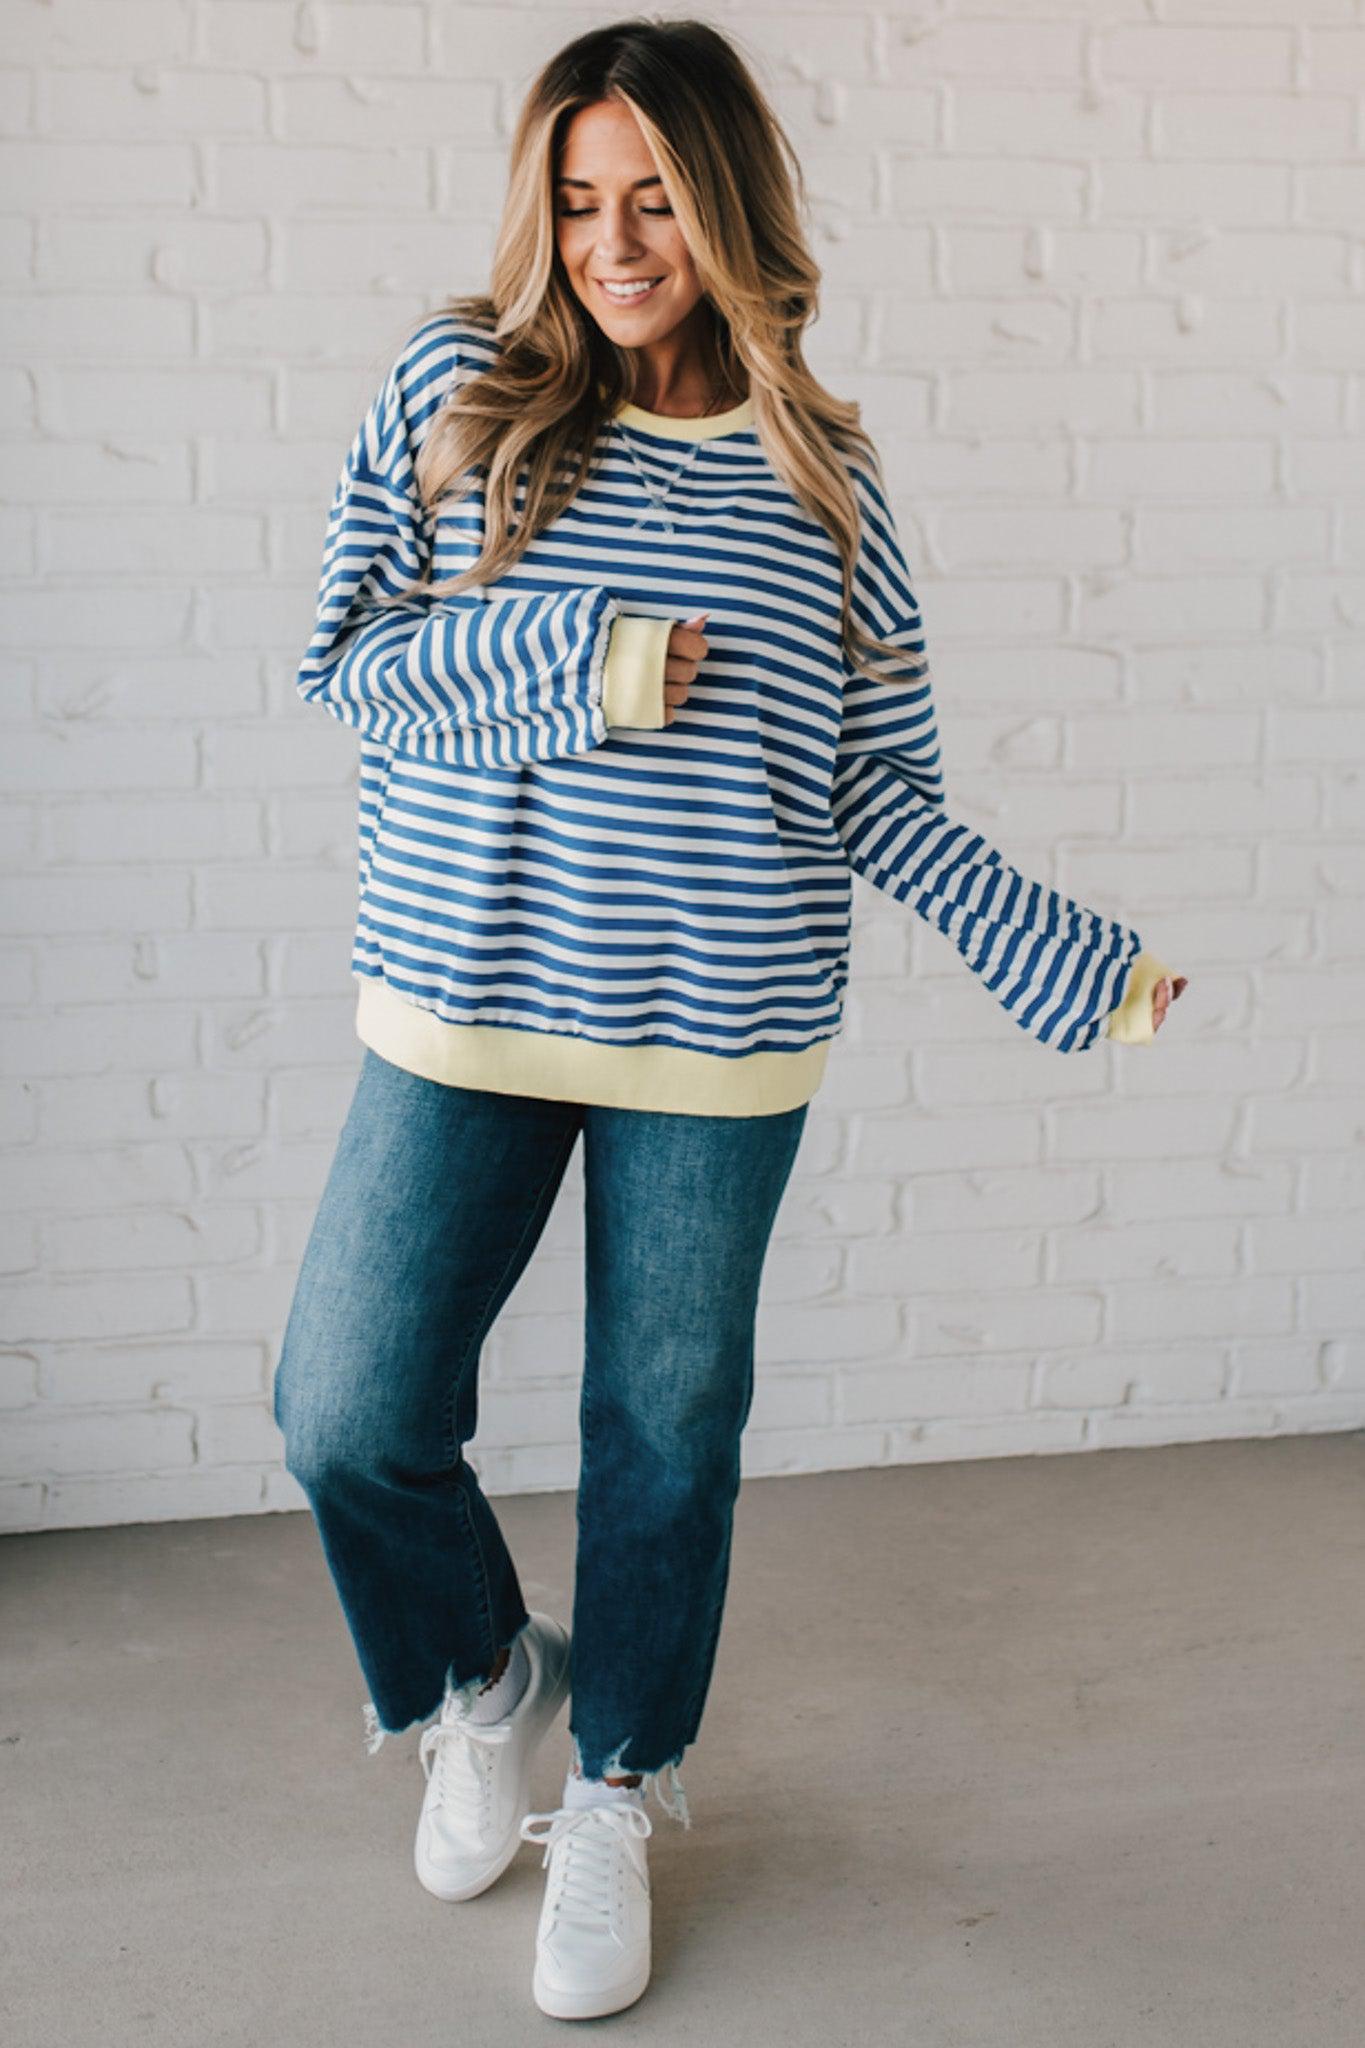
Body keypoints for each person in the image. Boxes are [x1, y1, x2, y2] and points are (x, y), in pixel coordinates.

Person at [272, 17, 1187, 2024]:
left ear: (726, 200)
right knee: (343, 1408)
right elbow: (350, 666)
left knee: (662, 1441)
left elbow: (876, 793)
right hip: (467, 998)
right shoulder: (457, 393)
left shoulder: (816, 469)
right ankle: (481, 1683)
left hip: (717, 1036)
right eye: (581, 204)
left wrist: (1068, 959)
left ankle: (611, 1788)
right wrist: (585, 661)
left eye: (653, 200)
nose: (612, 246)